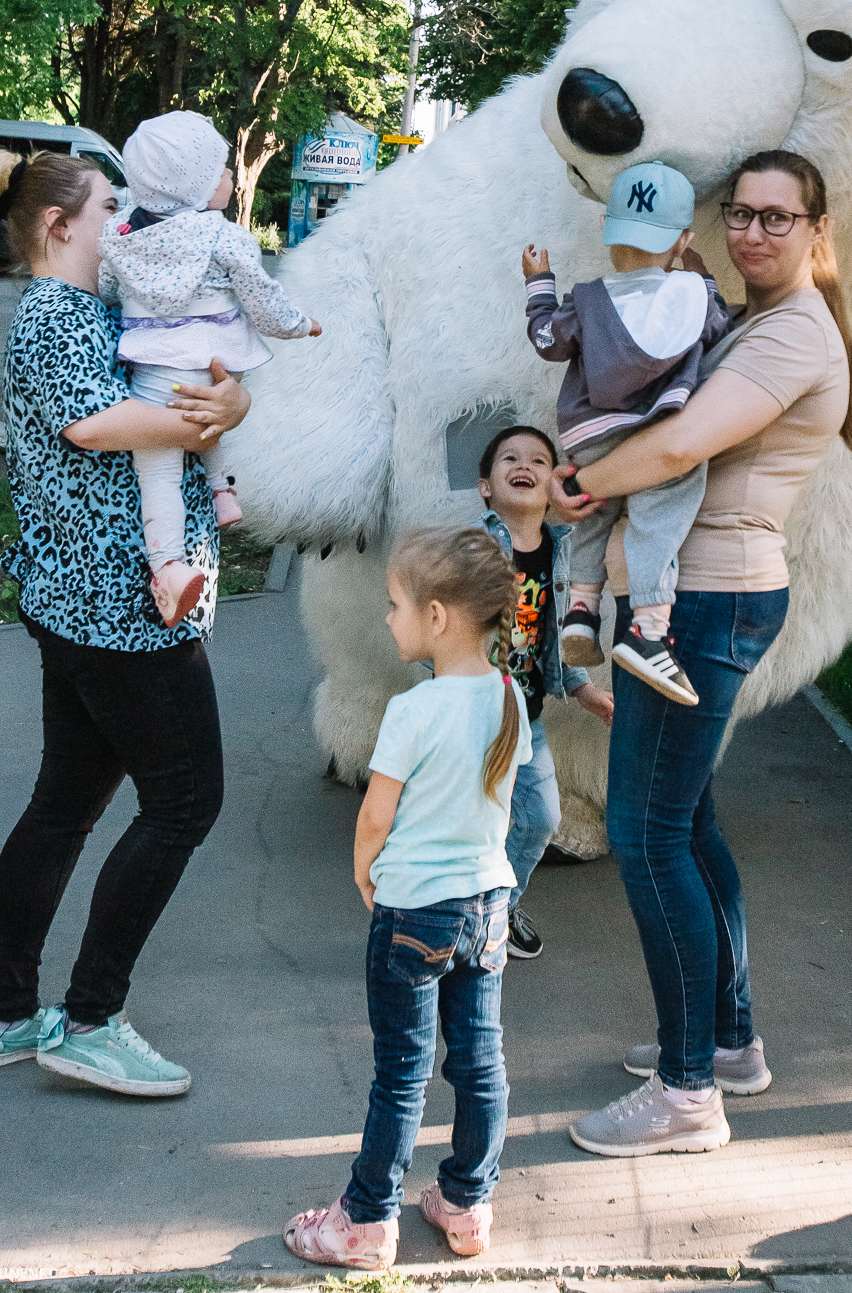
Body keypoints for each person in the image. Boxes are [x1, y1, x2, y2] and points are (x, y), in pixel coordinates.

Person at [548, 149, 852, 1159]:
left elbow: (683, 442)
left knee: (646, 836)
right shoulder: (751, 321)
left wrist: (577, 484)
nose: (753, 233)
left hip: (706, 599)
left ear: (816, 231)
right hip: (705, 594)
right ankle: (725, 1042)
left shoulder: (792, 332)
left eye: (778, 218)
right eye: (740, 213)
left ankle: (686, 1093)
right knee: (685, 823)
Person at [0, 152, 251, 1097]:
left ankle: (4, 1015)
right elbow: (95, 423)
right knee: (184, 803)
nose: (123, 220)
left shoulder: (89, 310)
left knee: (64, 805)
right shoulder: (55, 314)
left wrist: (227, 398)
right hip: (119, 614)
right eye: (109, 206)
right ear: (59, 226)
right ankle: (90, 1020)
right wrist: (218, 417)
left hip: (87, 606)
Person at [284, 527, 531, 1269]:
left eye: (395, 605)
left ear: (437, 616)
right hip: (487, 907)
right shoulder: (509, 698)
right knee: (480, 1063)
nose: (388, 618)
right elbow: (505, 805)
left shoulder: (414, 710)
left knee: (401, 1071)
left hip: (416, 909)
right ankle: (467, 1202)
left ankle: (366, 1220)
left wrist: (366, 873)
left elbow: (376, 814)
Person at [97, 111, 320, 626]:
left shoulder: (122, 234)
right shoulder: (224, 238)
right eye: (218, 170)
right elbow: (264, 302)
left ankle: (167, 564)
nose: (229, 176)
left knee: (158, 474)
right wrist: (301, 325)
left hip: (153, 372)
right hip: (214, 361)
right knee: (207, 416)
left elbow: (107, 289)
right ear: (189, 184)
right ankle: (218, 497)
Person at [524, 160, 732, 707]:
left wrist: (539, 284)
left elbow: (546, 339)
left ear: (606, 229)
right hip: (655, 432)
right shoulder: (693, 294)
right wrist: (707, 280)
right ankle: (648, 629)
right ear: (683, 240)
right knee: (657, 521)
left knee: (592, 512)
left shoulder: (587, 299)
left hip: (589, 433)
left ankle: (581, 610)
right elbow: (719, 330)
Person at [475, 424, 614, 959]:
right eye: (508, 458)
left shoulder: (560, 552)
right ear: (486, 486)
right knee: (470, 822)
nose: (524, 466)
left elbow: (550, 637)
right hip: (473, 715)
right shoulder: (472, 547)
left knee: (541, 819)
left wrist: (583, 689)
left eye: (538, 460)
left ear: (553, 486)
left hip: (526, 718)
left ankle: (499, 907)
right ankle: (453, 921)